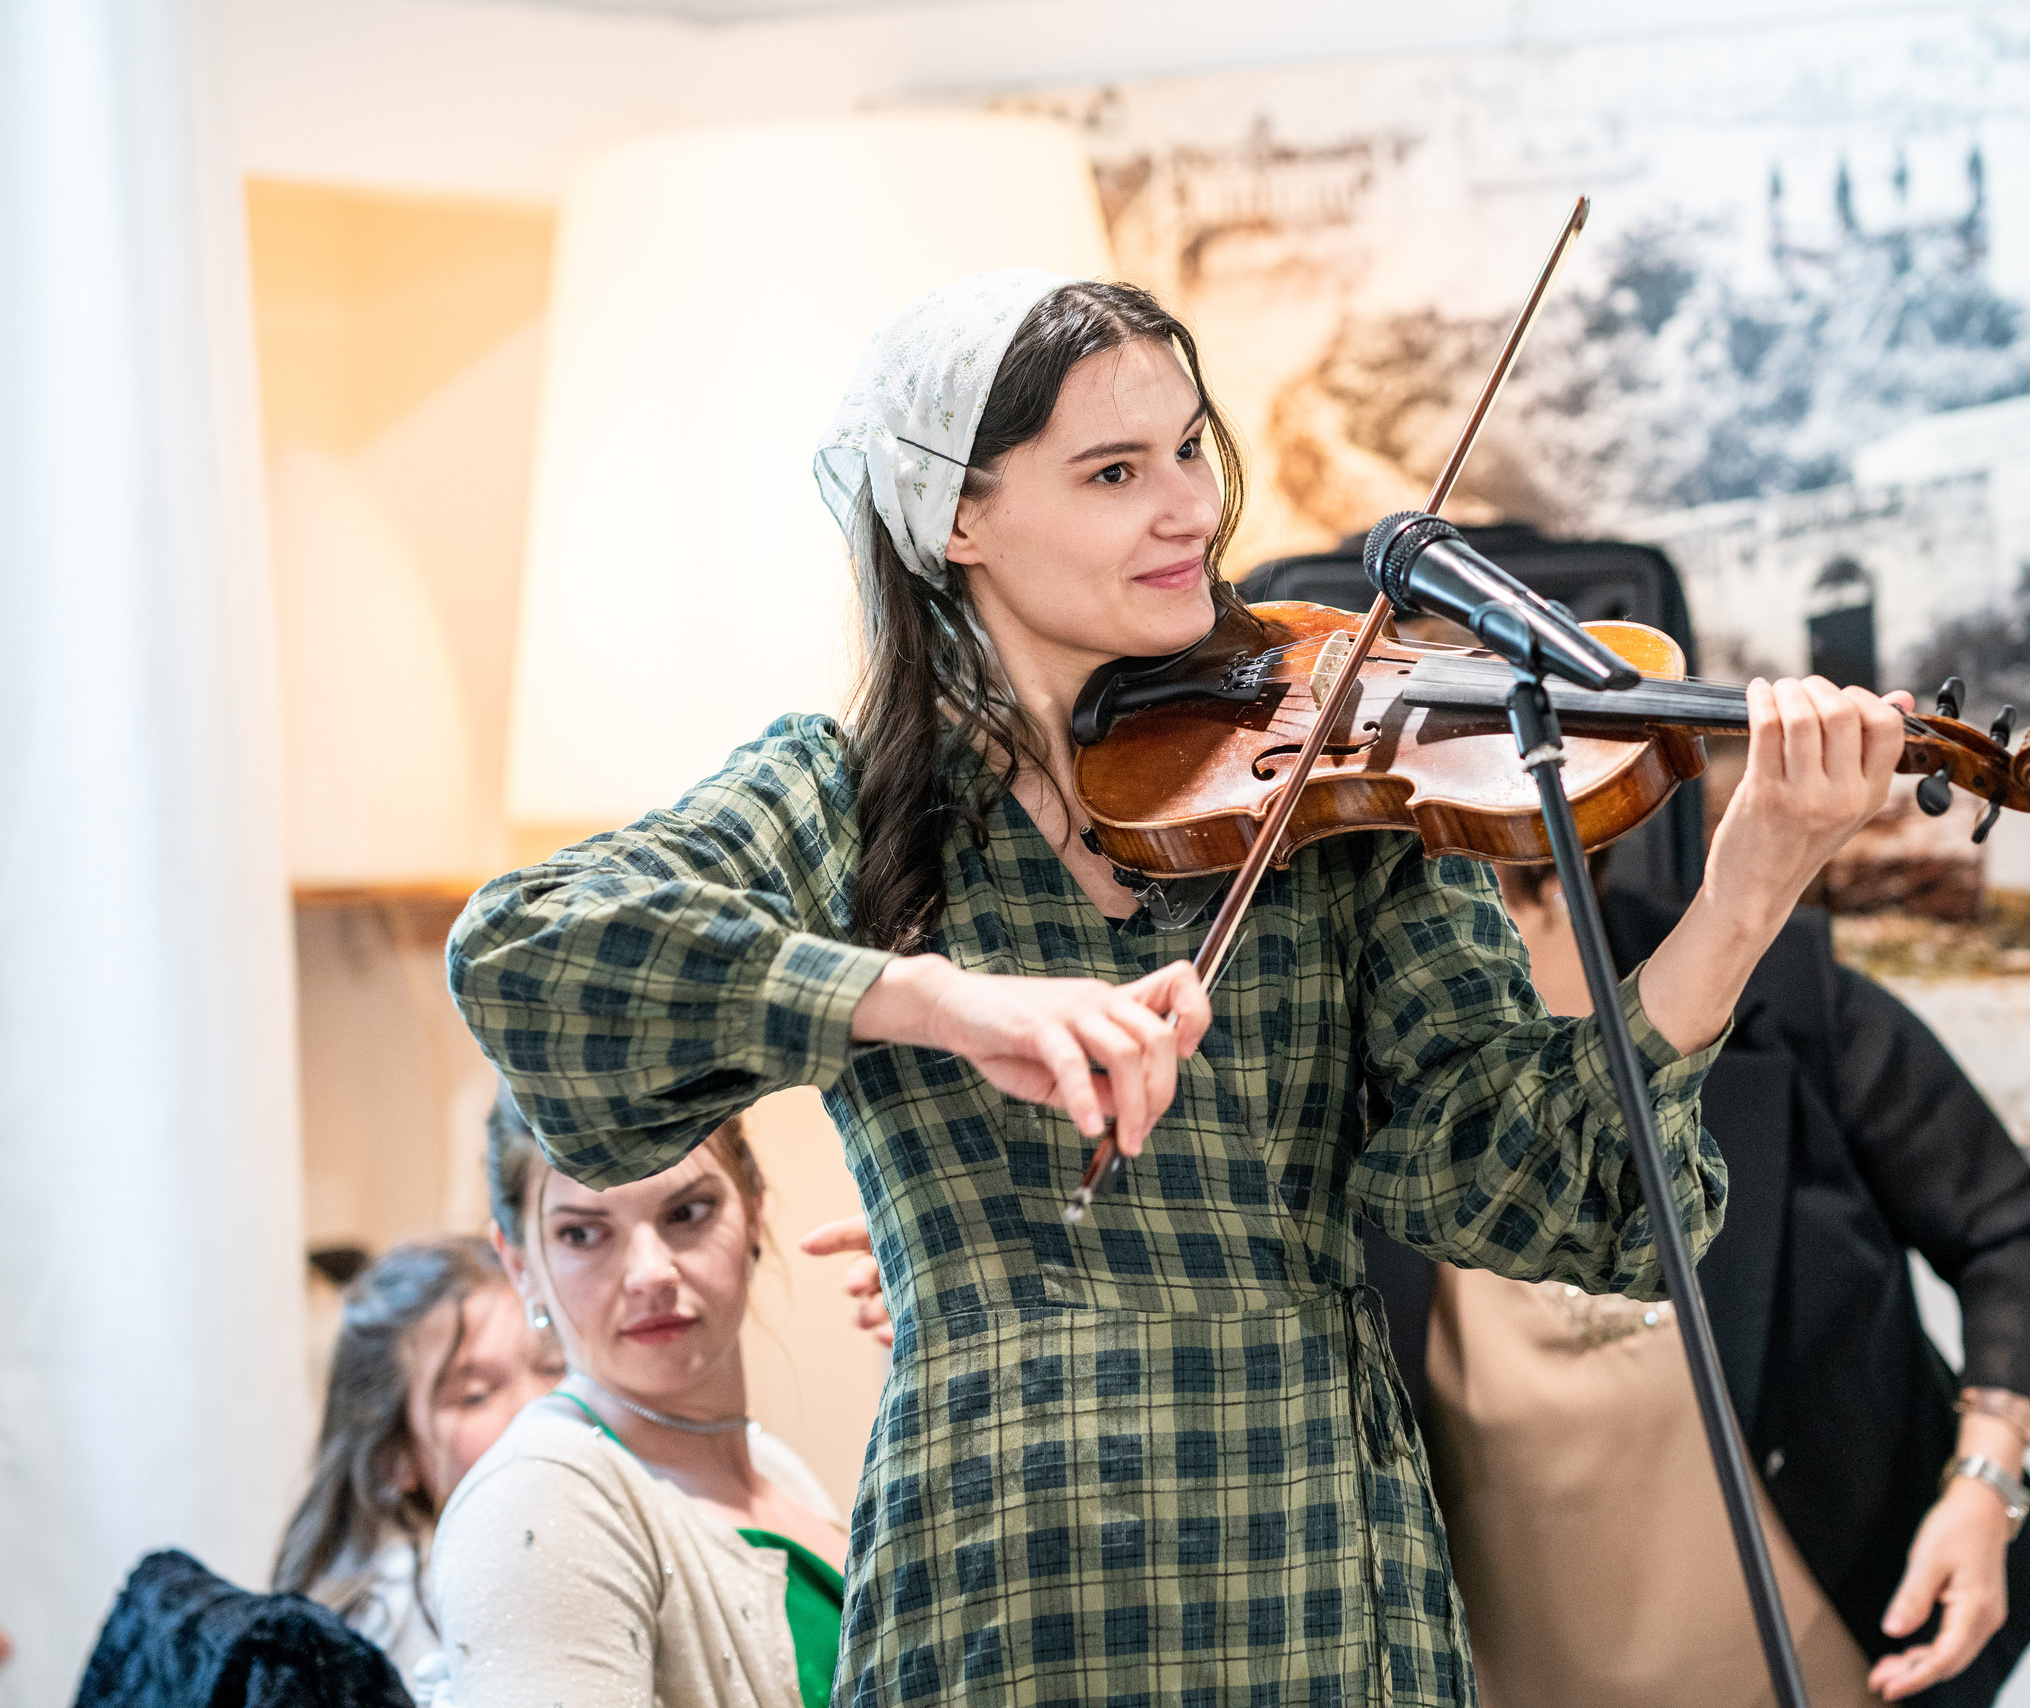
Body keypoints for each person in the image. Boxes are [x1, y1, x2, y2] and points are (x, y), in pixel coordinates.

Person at [444, 267, 1910, 1705]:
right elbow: (530, 951)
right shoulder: (847, 796)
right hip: (1003, 1578)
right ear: (959, 517)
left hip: (1321, 1576)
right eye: (1113, 470)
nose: (1192, 508)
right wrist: (939, 1000)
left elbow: (1568, 1191)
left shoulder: (1333, 762)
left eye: (1194, 448)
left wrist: (1747, 889)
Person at [1364, 855, 2030, 1708]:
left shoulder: (1779, 992)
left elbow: (2009, 1232)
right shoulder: (1344, 1070)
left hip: (1843, 1664)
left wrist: (1986, 1484)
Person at [426, 1103, 846, 1705]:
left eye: (687, 1212)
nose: (650, 1274)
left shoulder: (776, 1467)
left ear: (754, 1209)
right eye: (583, 1233)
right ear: (520, 1265)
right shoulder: (541, 1501)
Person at [271, 1237, 563, 1678]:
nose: (538, 1404)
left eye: (555, 1367)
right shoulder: (380, 1633)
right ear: (394, 1457)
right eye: (475, 1396)